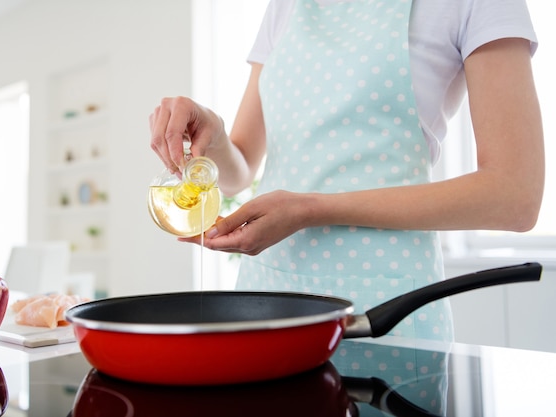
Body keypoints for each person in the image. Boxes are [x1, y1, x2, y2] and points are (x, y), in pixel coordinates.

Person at [149, 0, 544, 341]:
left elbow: (514, 196)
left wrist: (311, 209)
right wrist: (213, 134)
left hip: (382, 307)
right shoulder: (286, 6)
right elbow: (240, 172)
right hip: (266, 296)